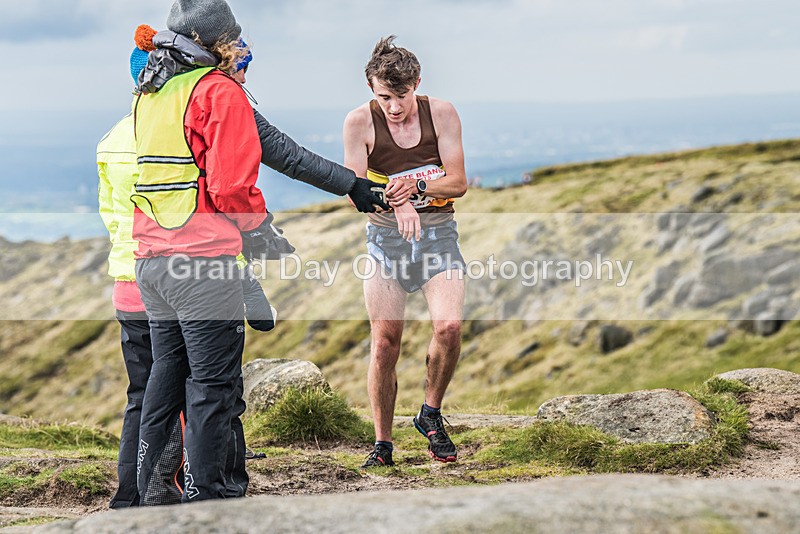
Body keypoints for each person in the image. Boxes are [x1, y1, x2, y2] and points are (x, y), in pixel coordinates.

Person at [133, 1, 387, 504]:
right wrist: (257, 231)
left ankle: (154, 493)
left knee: (165, 382)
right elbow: (232, 186)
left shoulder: (155, 89)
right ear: (217, 41)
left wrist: (350, 184)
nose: (242, 45)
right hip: (202, 263)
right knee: (213, 386)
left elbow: (277, 147)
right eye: (236, 37)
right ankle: (212, 499)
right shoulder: (217, 91)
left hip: (152, 261)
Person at [343, 36, 468, 468]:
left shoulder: (443, 113)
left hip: (438, 236)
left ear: (417, 82)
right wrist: (395, 203)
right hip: (384, 242)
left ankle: (429, 414)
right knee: (385, 344)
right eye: (384, 97)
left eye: (401, 96)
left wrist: (413, 187)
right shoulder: (359, 123)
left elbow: (457, 183)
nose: (394, 107)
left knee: (449, 327)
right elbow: (354, 192)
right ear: (371, 90)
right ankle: (382, 444)